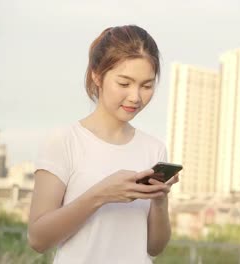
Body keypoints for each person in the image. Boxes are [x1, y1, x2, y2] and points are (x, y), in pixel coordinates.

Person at [27, 25, 178, 264]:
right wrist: (101, 195)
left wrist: (160, 200)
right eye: (124, 83)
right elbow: (38, 239)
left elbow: (155, 247)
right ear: (97, 75)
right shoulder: (65, 141)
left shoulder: (154, 148)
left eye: (146, 86)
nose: (135, 97)